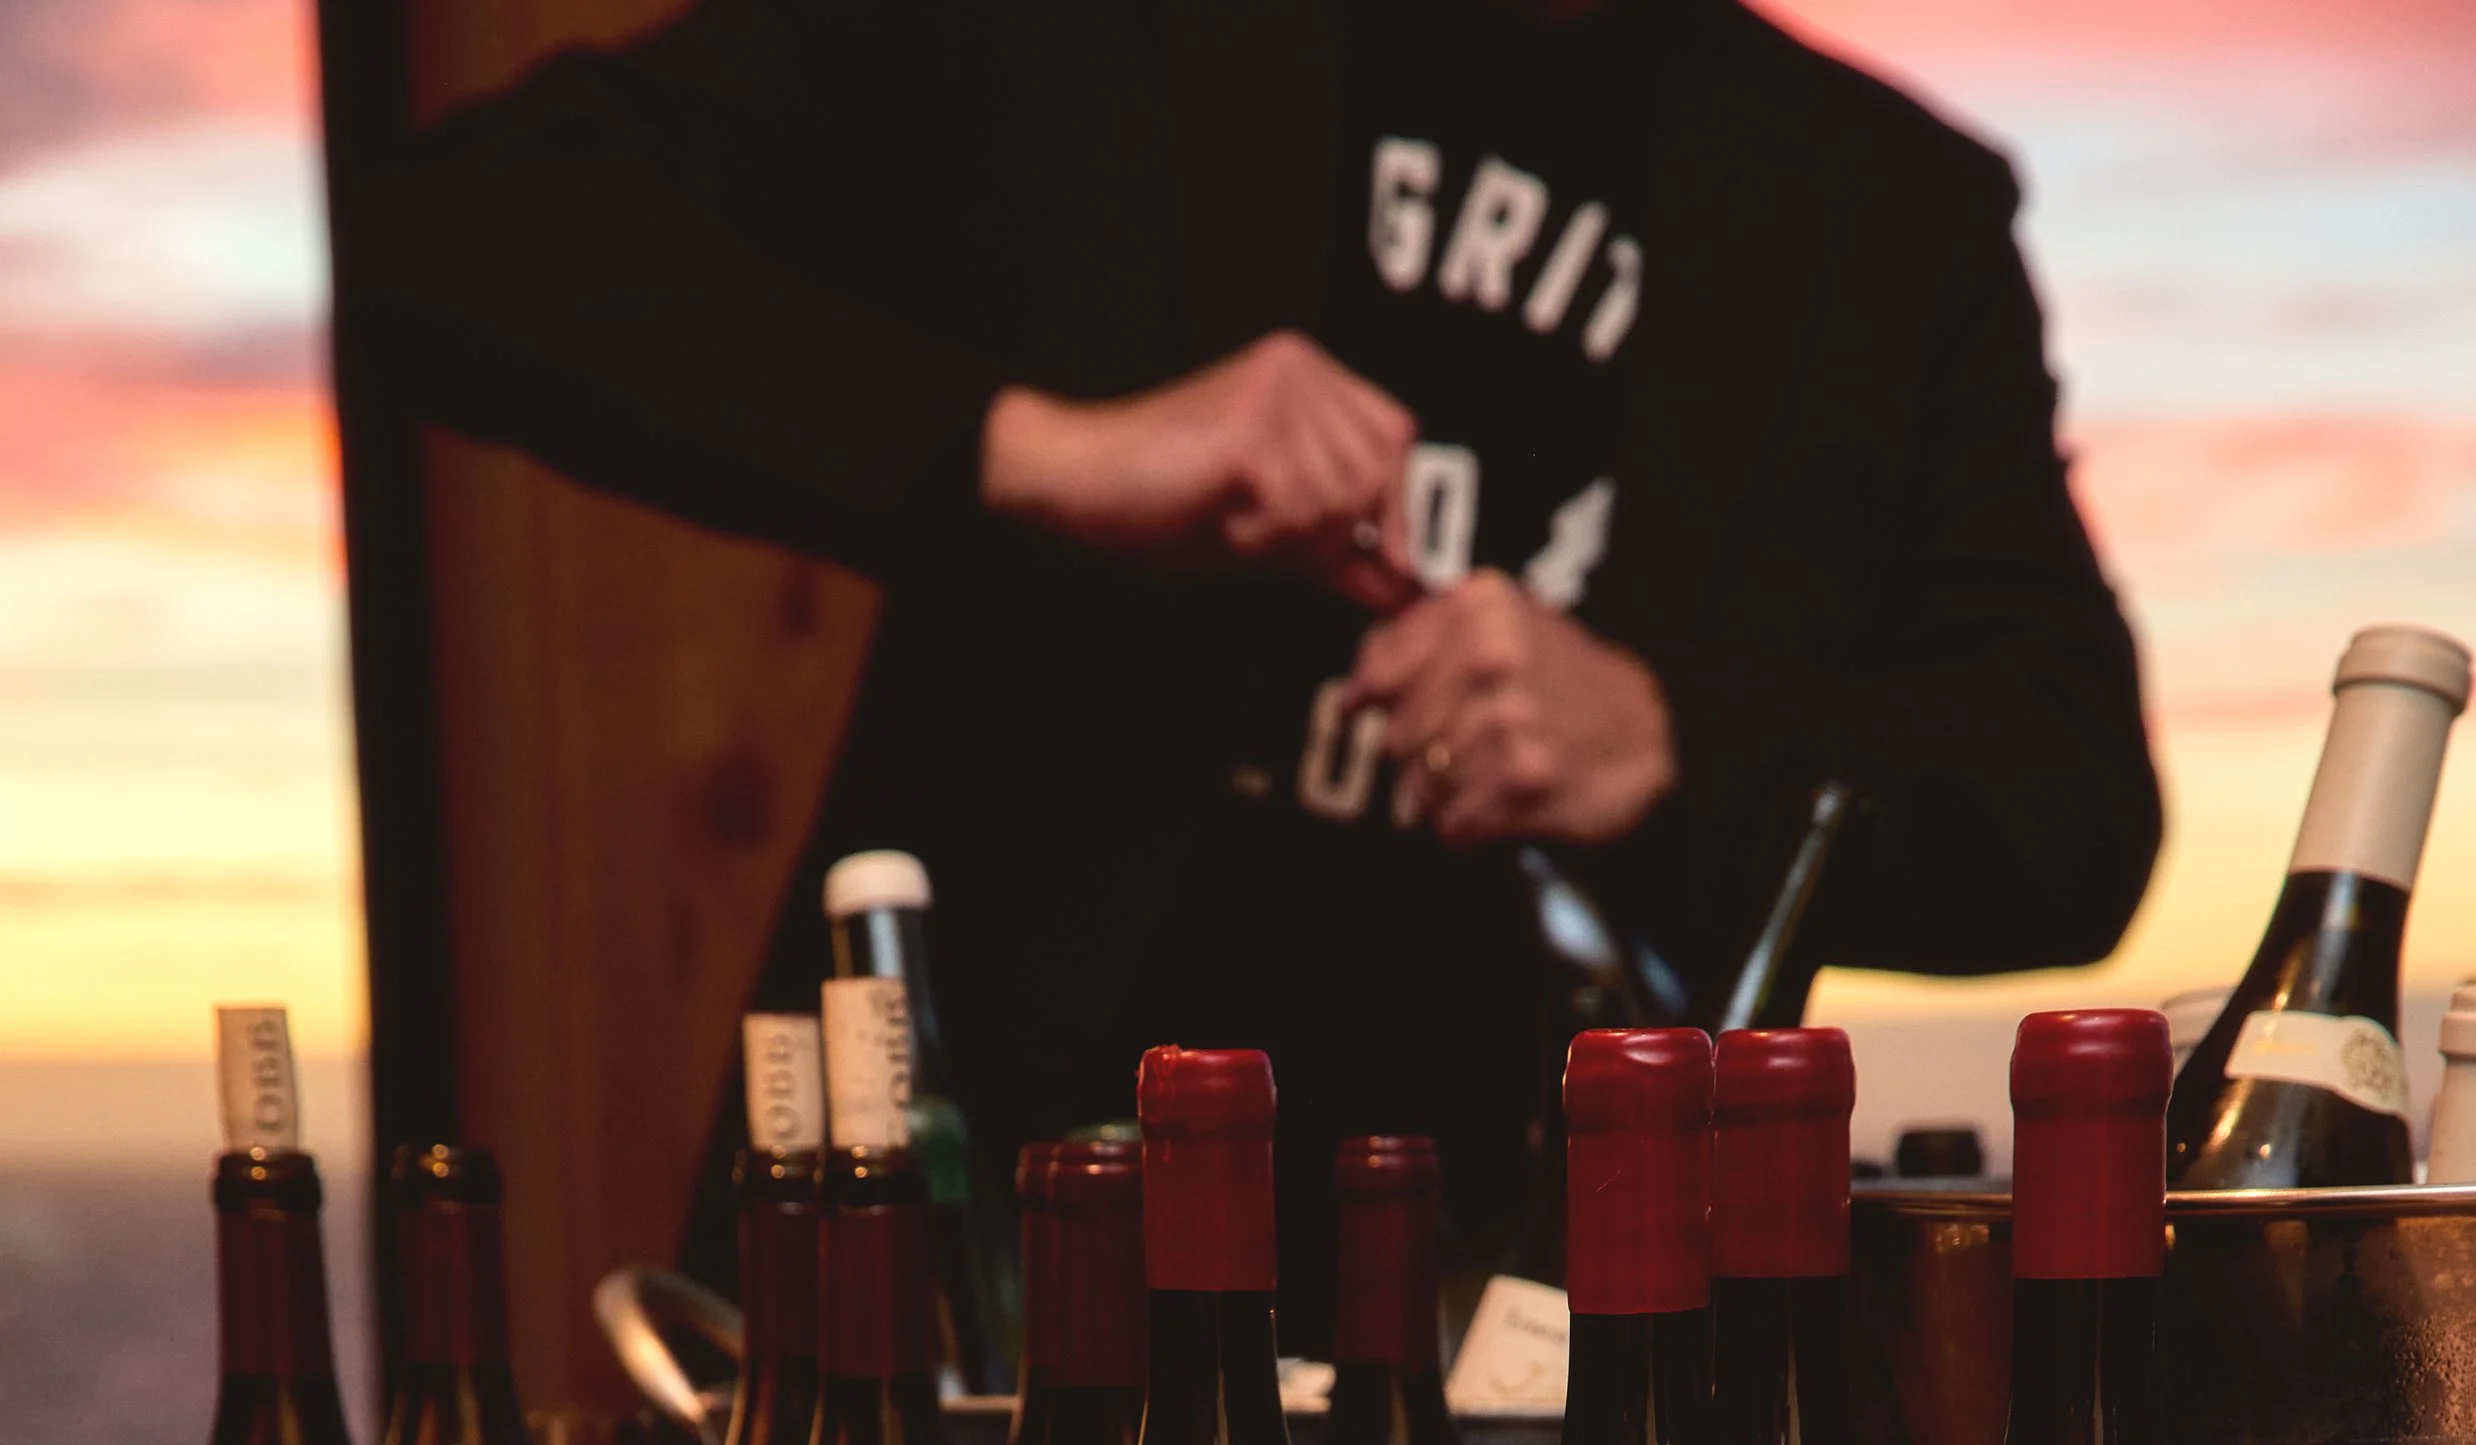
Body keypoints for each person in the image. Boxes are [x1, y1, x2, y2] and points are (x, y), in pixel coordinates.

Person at [345, 0, 2162, 1330]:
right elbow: (461, 241)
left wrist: (1674, 731)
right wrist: (1036, 451)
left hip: (1544, 1376)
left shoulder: (1889, 216)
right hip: (993, 1337)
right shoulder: (1072, 44)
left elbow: (2077, 807)